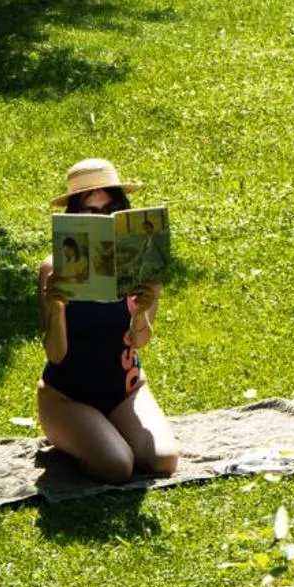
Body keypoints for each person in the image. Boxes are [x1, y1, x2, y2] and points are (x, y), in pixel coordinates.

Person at [37, 158, 177, 484]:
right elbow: (56, 355)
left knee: (164, 461)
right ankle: (83, 438)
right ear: (74, 218)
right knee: (117, 467)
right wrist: (57, 307)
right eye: (90, 212)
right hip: (67, 397)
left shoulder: (139, 259)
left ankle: (104, 432)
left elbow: (140, 340)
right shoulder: (54, 268)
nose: (101, 217)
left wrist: (143, 308)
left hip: (125, 390)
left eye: (110, 208)